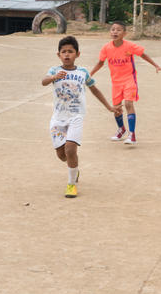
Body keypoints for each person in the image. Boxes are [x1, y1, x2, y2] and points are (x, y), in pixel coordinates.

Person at [42, 35, 115, 198]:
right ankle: (74, 170)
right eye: (64, 52)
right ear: (58, 54)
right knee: (62, 155)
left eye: (70, 51)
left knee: (70, 149)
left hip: (76, 117)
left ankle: (71, 184)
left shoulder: (82, 72)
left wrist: (109, 107)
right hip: (58, 118)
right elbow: (44, 81)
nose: (67, 55)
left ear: (78, 54)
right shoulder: (54, 71)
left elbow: (94, 89)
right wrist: (53, 77)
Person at [90, 21, 161, 146]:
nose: (115, 32)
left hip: (129, 79)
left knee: (128, 104)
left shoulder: (129, 46)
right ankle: (121, 129)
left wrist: (156, 66)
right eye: (113, 29)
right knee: (116, 108)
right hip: (115, 82)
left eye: (118, 30)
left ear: (124, 33)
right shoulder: (106, 48)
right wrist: (89, 74)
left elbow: (143, 55)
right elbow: (100, 63)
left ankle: (132, 134)